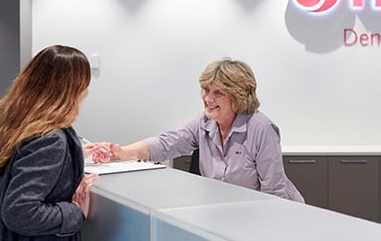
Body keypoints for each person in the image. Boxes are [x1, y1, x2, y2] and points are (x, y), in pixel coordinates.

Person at [93, 58, 305, 203]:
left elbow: (273, 193)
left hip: (272, 215)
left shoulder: (261, 128)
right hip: (231, 213)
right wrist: (121, 153)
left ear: (239, 96)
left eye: (218, 92)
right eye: (206, 90)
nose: (208, 98)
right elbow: (168, 143)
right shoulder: (204, 122)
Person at [0, 45, 103, 240]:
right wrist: (74, 212)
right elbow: (20, 212)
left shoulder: (10, 124)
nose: (87, 92)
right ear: (72, 89)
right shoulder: (50, 139)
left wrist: (71, 156)